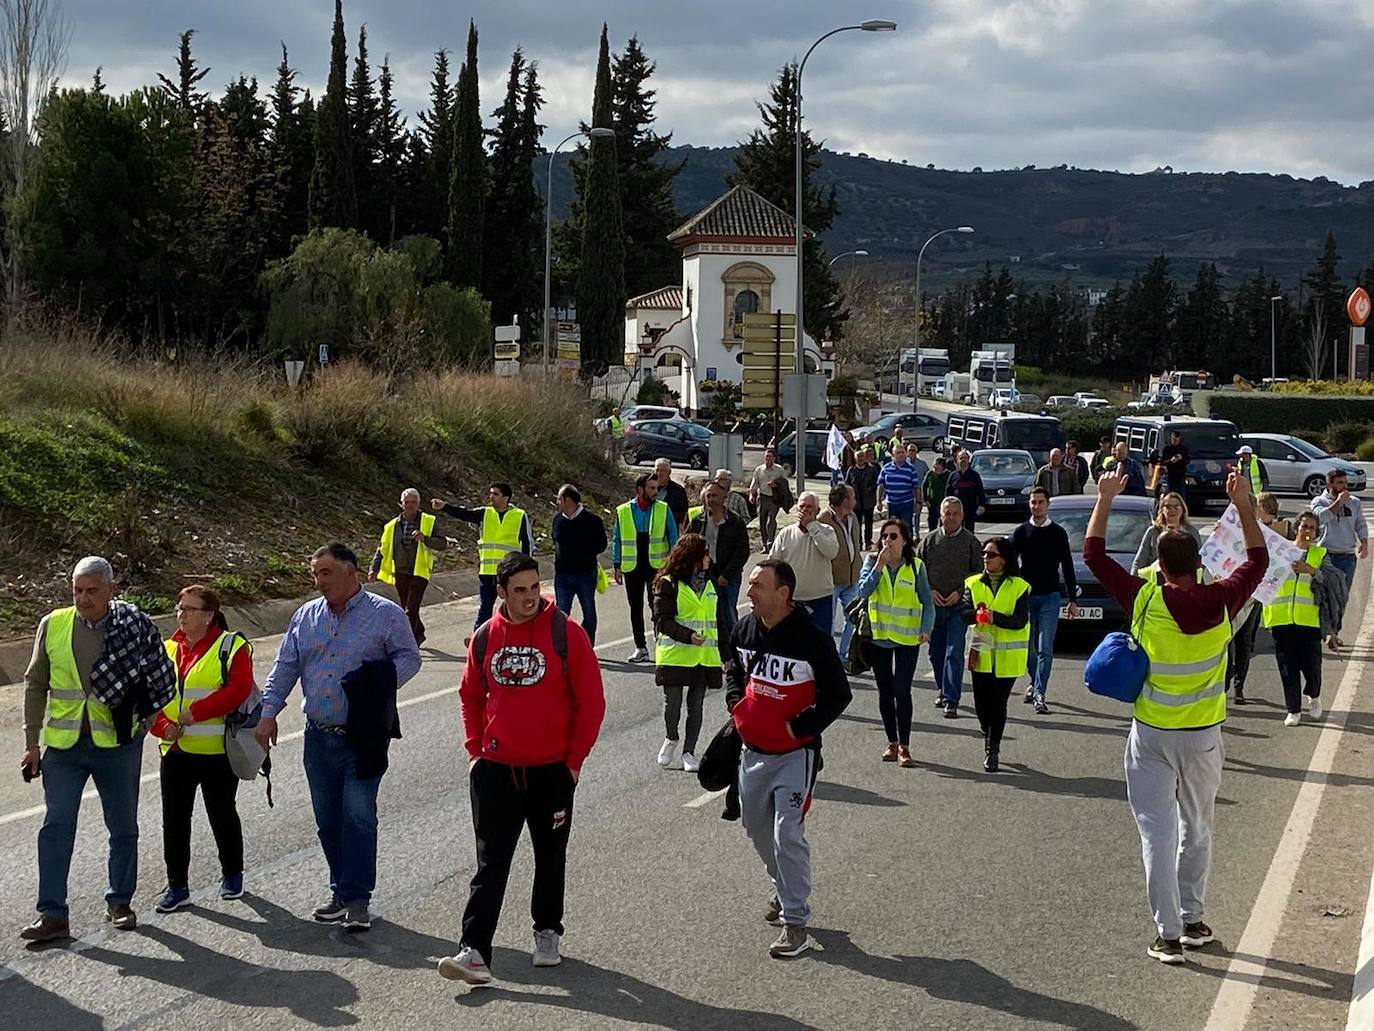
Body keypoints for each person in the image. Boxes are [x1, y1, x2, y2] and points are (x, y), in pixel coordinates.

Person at [1085, 467, 1265, 965]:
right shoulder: (1224, 600)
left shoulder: (1145, 596)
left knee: (1156, 834)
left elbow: (1094, 555)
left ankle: (1166, 935)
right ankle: (1193, 918)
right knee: (1198, 827)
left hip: (1153, 735)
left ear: (1160, 566)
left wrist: (1104, 498)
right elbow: (1259, 559)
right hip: (1203, 735)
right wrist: (1244, 505)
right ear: (1199, 563)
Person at [439, 553, 606, 985]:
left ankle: (547, 931)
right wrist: (475, 751)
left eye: (535, 587)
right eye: (520, 590)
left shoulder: (565, 633)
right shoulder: (484, 637)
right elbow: (470, 697)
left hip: (551, 771)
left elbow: (591, 702)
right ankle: (474, 951)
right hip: (496, 769)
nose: (530, 597)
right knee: (490, 862)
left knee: (550, 857)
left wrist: (573, 762)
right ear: (501, 592)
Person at [256, 543, 422, 932]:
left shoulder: (386, 615)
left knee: (359, 817)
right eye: (316, 574)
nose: (319, 581)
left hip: (363, 737)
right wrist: (268, 714)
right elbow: (286, 666)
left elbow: (409, 658)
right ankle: (341, 892)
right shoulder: (305, 616)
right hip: (318, 737)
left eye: (326, 573)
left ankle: (358, 899)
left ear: (352, 572)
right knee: (328, 820)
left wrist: (377, 686)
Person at [20, 556, 177, 943]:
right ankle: (53, 914)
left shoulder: (133, 627)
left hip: (117, 746)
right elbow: (34, 684)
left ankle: (119, 903)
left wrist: (143, 723)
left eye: (92, 590)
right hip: (64, 747)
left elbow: (159, 678)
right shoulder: (53, 624)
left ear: (111, 589)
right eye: (77, 590)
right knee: (56, 827)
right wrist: (30, 744)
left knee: (122, 827)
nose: (84, 598)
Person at [724, 558, 852, 959]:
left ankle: (794, 922)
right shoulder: (744, 629)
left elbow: (838, 694)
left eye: (758, 586)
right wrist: (735, 703)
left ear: (784, 594)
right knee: (755, 827)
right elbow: (732, 667)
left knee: (786, 834)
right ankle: (785, 888)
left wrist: (800, 729)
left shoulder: (812, 639)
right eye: (749, 584)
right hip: (752, 751)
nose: (749, 592)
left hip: (796, 756)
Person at [151, 586, 254, 913]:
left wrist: (196, 713)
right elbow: (148, 698)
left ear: (208, 616)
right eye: (179, 608)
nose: (181, 615)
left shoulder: (231, 646)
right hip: (175, 750)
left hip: (216, 752)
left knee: (222, 813)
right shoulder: (166, 649)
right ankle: (177, 885)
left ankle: (232, 874)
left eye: (189, 609)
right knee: (175, 821)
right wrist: (162, 727)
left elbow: (238, 690)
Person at [856, 518, 934, 766]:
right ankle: (891, 741)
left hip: (906, 638)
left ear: (904, 540)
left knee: (902, 690)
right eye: (884, 536)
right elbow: (862, 592)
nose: (887, 541)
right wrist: (878, 567)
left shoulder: (916, 566)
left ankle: (905, 745)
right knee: (885, 691)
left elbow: (927, 603)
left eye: (893, 536)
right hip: (879, 638)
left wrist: (926, 629)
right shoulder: (871, 562)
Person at [652, 534, 722, 771]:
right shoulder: (668, 583)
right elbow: (663, 621)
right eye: (705, 554)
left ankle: (689, 753)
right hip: (675, 655)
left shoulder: (710, 583)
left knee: (696, 706)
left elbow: (719, 621)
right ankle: (671, 737)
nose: (708, 559)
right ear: (693, 556)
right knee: (672, 705)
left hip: (704, 658)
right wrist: (688, 636)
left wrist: (728, 655)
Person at [961, 538, 1031, 773]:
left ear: (1004, 559)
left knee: (998, 703)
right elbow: (963, 613)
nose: (985, 558)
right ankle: (986, 728)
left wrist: (995, 617)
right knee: (981, 703)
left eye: (991, 554)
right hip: (981, 651)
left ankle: (993, 750)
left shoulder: (1019, 586)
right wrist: (976, 615)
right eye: (984, 553)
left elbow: (1021, 620)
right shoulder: (973, 583)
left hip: (1007, 656)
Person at [1010, 487, 1078, 714]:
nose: (1036, 506)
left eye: (1040, 502)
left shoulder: (1058, 533)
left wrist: (1072, 599)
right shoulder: (1021, 532)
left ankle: (1040, 692)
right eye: (1033, 502)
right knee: (1028, 648)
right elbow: (1009, 564)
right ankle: (1034, 680)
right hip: (1026, 598)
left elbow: (1067, 565)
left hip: (1050, 596)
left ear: (1047, 505)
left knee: (1045, 646)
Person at [1264, 511, 1334, 726]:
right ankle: (1293, 710)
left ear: (1316, 532)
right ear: (1297, 528)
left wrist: (1311, 571)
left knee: (1312, 667)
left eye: (1312, 528)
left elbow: (1332, 581)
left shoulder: (1320, 554)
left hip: (1309, 620)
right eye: (1304, 526)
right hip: (1281, 618)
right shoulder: (1281, 551)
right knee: (1287, 666)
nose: (1307, 531)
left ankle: (1313, 695)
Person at [433, 484, 533, 633]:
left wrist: (526, 569)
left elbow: (527, 543)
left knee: (515, 606)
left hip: (509, 572)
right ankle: (479, 639)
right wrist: (445, 507)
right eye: (490, 493)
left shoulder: (519, 515)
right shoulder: (484, 513)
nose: (491, 497)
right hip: (487, 571)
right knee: (485, 607)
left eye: (496, 494)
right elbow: (464, 513)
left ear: (506, 498)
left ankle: (519, 635)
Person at [918, 498, 984, 718]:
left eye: (956, 513)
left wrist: (960, 592)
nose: (951, 518)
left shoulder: (971, 543)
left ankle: (951, 699)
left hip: (958, 606)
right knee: (936, 653)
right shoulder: (928, 541)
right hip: (934, 606)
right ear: (940, 514)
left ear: (962, 516)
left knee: (954, 652)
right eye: (948, 513)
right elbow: (917, 571)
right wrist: (929, 591)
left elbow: (978, 575)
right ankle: (943, 687)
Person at [613, 472, 680, 662]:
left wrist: (673, 564)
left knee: (657, 606)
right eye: (651, 488)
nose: (655, 492)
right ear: (639, 489)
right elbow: (617, 539)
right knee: (635, 608)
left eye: (657, 488)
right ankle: (640, 647)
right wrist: (617, 565)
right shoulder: (623, 511)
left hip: (656, 566)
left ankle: (661, 643)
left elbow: (673, 536)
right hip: (632, 566)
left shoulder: (663, 509)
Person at [369, 488, 448, 646]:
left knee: (411, 609)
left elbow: (442, 543)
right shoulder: (392, 526)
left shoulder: (428, 521)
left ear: (418, 503)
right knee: (406, 607)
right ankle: (418, 633)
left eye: (413, 502)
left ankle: (407, 643)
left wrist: (424, 538)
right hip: (400, 571)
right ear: (401, 504)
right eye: (407, 502)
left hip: (420, 571)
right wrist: (374, 568)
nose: (410, 505)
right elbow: (382, 549)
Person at [687, 480, 750, 644]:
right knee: (706, 613)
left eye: (714, 495)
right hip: (703, 576)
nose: (711, 499)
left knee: (728, 614)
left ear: (724, 497)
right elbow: (687, 545)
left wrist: (726, 575)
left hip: (728, 577)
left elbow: (742, 552)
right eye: (708, 496)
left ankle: (735, 649)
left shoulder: (735, 522)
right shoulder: (698, 521)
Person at [1310, 468, 1367, 649]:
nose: (1344, 486)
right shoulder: (1318, 502)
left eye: (1345, 483)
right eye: (1340, 483)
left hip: (1347, 556)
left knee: (1341, 597)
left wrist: (1364, 542)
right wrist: (1337, 503)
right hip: (1327, 555)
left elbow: (1360, 523)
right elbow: (1321, 518)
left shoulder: (1354, 502)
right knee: (1327, 596)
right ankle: (1328, 633)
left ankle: (1334, 631)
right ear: (1330, 484)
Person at [770, 491, 840, 634]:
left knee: (820, 643)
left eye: (810, 507)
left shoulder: (827, 531)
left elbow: (831, 552)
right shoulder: (786, 533)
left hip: (820, 600)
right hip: (792, 600)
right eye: (802, 506)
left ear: (818, 510)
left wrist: (812, 527)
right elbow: (773, 563)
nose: (805, 510)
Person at [551, 484, 608, 645]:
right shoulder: (557, 520)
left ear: (568, 499)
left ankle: (587, 645)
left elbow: (601, 545)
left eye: (559, 498)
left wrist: (583, 552)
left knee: (589, 612)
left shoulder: (592, 521)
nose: (557, 501)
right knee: (561, 613)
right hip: (562, 576)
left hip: (585, 574)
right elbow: (555, 540)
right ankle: (561, 647)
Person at [819, 484, 864, 663]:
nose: (855, 501)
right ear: (845, 501)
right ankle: (828, 657)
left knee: (853, 617)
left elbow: (855, 544)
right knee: (828, 623)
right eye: (852, 497)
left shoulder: (852, 517)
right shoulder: (823, 519)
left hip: (852, 578)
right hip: (831, 580)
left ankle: (843, 654)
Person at [1131, 493, 1203, 575]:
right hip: (1156, 582)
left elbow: (1201, 560)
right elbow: (1139, 562)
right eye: (1168, 507)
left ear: (1183, 509)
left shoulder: (1191, 531)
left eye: (1176, 506)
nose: (1172, 510)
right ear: (1162, 510)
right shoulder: (1153, 531)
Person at [749, 447, 789, 552]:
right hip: (762, 497)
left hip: (774, 499)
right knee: (762, 521)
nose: (767, 459)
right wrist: (751, 495)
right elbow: (754, 483)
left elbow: (785, 484)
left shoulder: (779, 470)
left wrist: (776, 484)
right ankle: (764, 544)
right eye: (766, 457)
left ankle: (770, 541)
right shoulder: (759, 469)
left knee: (771, 520)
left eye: (770, 457)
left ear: (774, 458)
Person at [945, 450, 989, 534]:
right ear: (957, 460)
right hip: (956, 509)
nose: (963, 460)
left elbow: (980, 491)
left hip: (970, 508)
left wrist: (981, 505)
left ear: (968, 460)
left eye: (965, 458)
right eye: (961, 458)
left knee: (969, 531)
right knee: (955, 530)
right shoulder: (953, 475)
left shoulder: (975, 475)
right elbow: (948, 492)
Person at [845, 446, 880, 548]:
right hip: (856, 502)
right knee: (857, 524)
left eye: (862, 457)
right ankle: (858, 542)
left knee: (869, 523)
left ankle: (868, 541)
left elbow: (876, 483)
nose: (860, 459)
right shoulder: (851, 470)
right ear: (855, 459)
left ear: (865, 458)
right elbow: (847, 484)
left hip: (868, 501)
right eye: (858, 457)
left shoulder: (872, 470)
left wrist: (871, 490)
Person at [876, 442, 917, 529]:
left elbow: (916, 487)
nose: (901, 454)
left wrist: (918, 502)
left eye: (903, 452)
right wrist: (878, 501)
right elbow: (881, 485)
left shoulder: (911, 469)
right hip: (892, 504)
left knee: (906, 528)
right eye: (898, 453)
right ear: (893, 455)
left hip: (906, 503)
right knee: (893, 528)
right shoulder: (886, 468)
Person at [655, 457, 690, 532]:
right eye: (657, 470)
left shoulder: (678, 490)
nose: (659, 473)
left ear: (669, 472)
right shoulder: (648, 488)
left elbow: (683, 514)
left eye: (663, 471)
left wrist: (665, 517)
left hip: (670, 531)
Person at [904, 442, 930, 529]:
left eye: (913, 450)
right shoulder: (903, 464)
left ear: (916, 451)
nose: (911, 452)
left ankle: (917, 533)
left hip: (919, 493)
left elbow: (928, 477)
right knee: (907, 515)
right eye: (909, 450)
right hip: (907, 493)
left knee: (917, 515)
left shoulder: (922, 464)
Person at [1159, 431, 1190, 500]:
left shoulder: (1183, 449)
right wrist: (1171, 460)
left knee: (1181, 494)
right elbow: (1162, 462)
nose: (1174, 441)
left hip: (1180, 475)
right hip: (1170, 475)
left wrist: (1181, 458)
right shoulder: (1167, 449)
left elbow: (1187, 461)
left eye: (1176, 439)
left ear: (1179, 439)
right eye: (1173, 439)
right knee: (1170, 493)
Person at [922, 457, 951, 531]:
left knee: (944, 524)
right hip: (932, 504)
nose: (935, 467)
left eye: (937, 465)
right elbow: (924, 486)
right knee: (932, 525)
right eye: (934, 465)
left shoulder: (948, 475)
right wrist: (926, 500)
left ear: (942, 467)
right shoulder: (930, 474)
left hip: (944, 504)